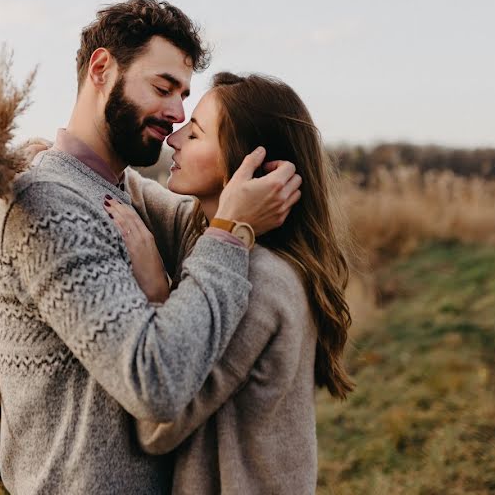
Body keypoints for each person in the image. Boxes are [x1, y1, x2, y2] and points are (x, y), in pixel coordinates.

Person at [0, 0, 301, 494]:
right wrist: (231, 231)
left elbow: (194, 221)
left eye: (184, 95)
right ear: (102, 68)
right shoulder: (49, 205)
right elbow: (154, 383)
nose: (176, 114)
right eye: (163, 88)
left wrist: (252, 186)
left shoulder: (115, 187)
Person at [105, 72, 355, 494]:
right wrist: (65, 157)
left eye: (197, 134)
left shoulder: (260, 282)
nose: (174, 139)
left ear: (248, 168)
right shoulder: (208, 233)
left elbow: (158, 425)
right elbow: (140, 192)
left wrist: (157, 294)